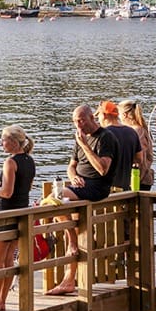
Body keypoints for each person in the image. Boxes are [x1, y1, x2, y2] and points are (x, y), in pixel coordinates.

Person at [47, 105, 119, 296]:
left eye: (81, 120)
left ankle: (71, 242)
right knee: (50, 203)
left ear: (91, 118)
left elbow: (102, 169)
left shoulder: (106, 138)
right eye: (75, 121)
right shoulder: (79, 138)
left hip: (96, 187)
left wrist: (86, 145)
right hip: (79, 185)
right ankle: (69, 277)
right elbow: (71, 166)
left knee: (55, 198)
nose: (78, 125)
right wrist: (73, 176)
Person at [0, 125, 35, 311]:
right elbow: (23, 189)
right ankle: (1, 301)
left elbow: (6, 192)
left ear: (13, 141)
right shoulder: (29, 160)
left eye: (3, 139)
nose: (0, 143)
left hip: (4, 215)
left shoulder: (10, 162)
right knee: (8, 260)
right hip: (20, 213)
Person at [95, 100, 143, 191]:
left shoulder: (103, 134)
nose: (98, 120)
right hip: (125, 189)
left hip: (106, 191)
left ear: (104, 115)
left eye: (98, 116)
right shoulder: (132, 132)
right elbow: (139, 159)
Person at [118, 99, 154, 190]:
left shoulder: (136, 131)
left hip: (138, 180)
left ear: (124, 115)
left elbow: (140, 159)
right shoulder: (140, 129)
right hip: (138, 178)